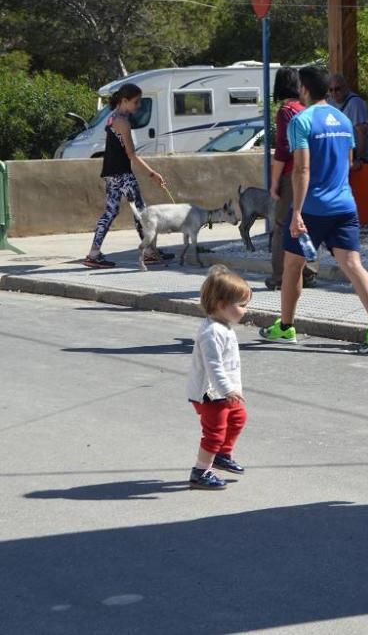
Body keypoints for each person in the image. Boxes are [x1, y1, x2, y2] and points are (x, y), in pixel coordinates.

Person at [259, 66, 368, 353]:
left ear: (303, 90)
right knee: (353, 265)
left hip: (312, 208)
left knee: (292, 266)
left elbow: (302, 169)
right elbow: (347, 162)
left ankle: (285, 327)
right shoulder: (343, 119)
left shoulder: (301, 121)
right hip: (344, 204)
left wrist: (297, 213)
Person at [83, 83, 171, 268]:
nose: (138, 106)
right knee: (141, 211)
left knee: (112, 212)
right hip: (122, 173)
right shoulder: (122, 121)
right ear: (124, 101)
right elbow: (131, 154)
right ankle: (148, 252)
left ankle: (94, 253)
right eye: (136, 102)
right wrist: (152, 173)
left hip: (111, 172)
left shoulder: (112, 116)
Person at [186, 265, 252, 490]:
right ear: (223, 305)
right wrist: (227, 390)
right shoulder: (211, 333)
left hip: (223, 391)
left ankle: (222, 454)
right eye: (242, 305)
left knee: (238, 418)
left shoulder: (223, 326)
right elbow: (213, 366)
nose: (246, 310)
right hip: (211, 394)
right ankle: (200, 472)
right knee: (214, 433)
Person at [267, 67, 318, 291]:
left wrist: (274, 180)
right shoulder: (307, 110)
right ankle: (309, 271)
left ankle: (280, 276)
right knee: (307, 222)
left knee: (281, 225)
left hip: (291, 173)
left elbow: (283, 149)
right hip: (311, 172)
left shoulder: (286, 111)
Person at [329, 73, 368, 168]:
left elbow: (362, 133)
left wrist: (359, 159)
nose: (334, 93)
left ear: (345, 87)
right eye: (331, 90)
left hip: (355, 152)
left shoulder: (355, 103)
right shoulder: (330, 102)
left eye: (337, 89)